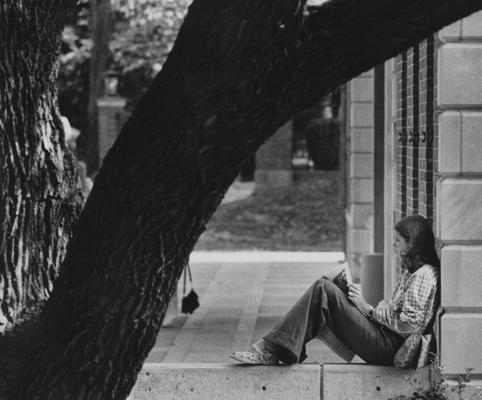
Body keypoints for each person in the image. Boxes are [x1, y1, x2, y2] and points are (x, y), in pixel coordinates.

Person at [230, 215, 439, 366]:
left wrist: (368, 310)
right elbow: (400, 312)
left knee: (324, 290)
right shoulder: (412, 271)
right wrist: (381, 306)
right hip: (385, 338)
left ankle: (273, 349)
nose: (393, 245)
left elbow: (408, 326)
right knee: (325, 289)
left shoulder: (423, 275)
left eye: (398, 241)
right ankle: (277, 349)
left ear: (413, 243)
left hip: (391, 349)